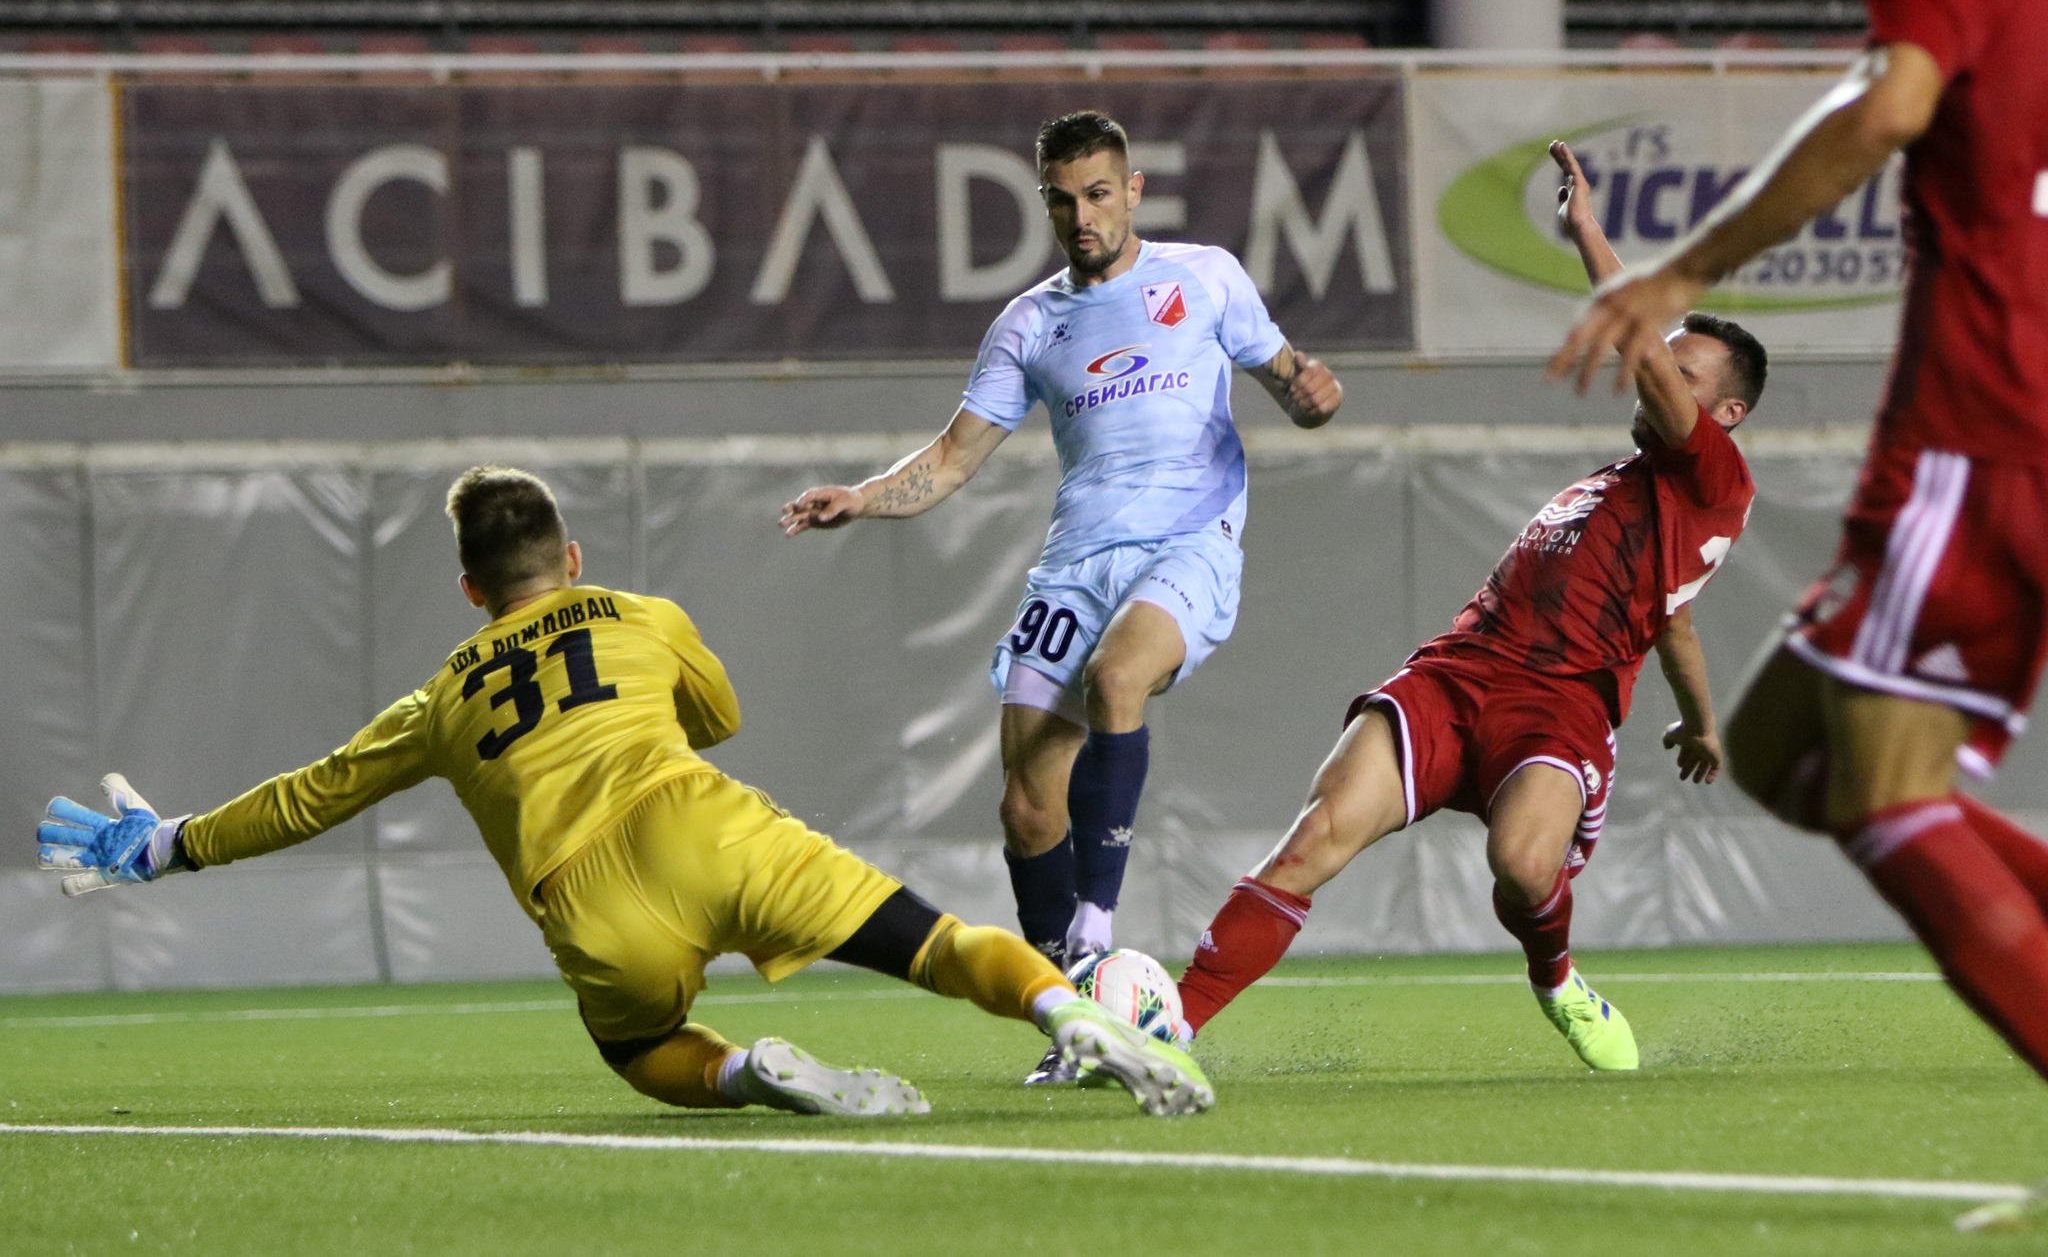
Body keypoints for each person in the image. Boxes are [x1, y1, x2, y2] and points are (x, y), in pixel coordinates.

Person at [35, 466, 1213, 1118]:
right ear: (572, 558)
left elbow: (309, 797)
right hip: (701, 825)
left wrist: (168, 846)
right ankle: (1073, 1015)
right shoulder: (643, 618)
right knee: (940, 943)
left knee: (642, 1048)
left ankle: (750, 1071)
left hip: (591, 905)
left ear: (468, 588)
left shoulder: (442, 698)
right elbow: (720, 719)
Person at [1552, 0, 2048, 1098]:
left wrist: (1673, 266)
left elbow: (1885, 108)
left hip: (1990, 433)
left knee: (1883, 789)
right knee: (1785, 753)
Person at [1172, 143, 1768, 1071]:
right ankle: (1167, 1027)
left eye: (1686, 377)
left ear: (1724, 417)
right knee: (1313, 838)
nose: (1658, 377)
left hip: (1559, 704)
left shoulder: (1714, 473)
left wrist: (1589, 237)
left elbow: (1642, 354)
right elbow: (1674, 618)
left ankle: (1556, 976)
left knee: (1525, 868)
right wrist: (1702, 723)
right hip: (1453, 675)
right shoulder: (1629, 487)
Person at [778, 110, 1343, 1084]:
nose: (1080, 216)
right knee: (1027, 806)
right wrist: (862, 499)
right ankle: (1072, 1023)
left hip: (1185, 542)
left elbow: (1288, 378)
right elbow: (954, 457)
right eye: (1060, 199)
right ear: (1043, 202)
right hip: (1073, 566)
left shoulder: (1203, 276)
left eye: (1095, 194)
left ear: (1131, 192)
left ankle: (1095, 930)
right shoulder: (1030, 324)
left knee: (1119, 677)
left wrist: (1310, 396)